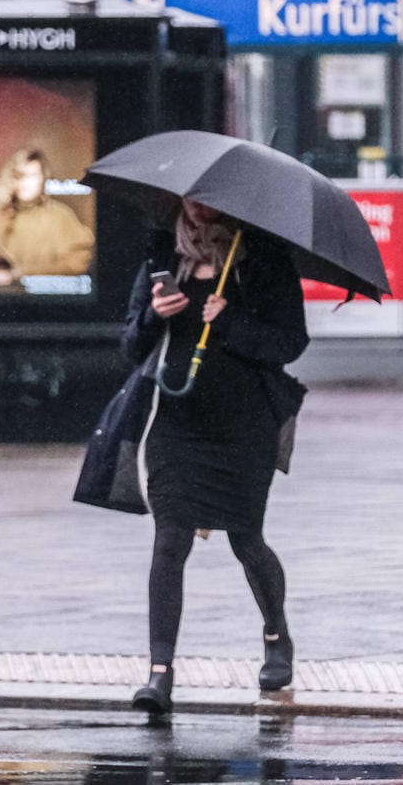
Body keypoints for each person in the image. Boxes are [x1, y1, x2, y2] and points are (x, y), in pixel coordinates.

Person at [120, 199, 308, 715]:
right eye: (190, 197)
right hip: (176, 427)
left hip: (244, 430)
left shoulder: (262, 260)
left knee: (246, 540)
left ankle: (276, 635)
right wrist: (152, 316)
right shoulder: (164, 259)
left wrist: (230, 322)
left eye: (210, 199)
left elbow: (291, 342)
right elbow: (130, 346)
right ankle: (160, 673)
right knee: (170, 540)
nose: (199, 207)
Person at [0, 148, 95, 289]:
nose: (25, 182)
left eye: (32, 175)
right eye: (20, 175)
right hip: (5, 299)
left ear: (43, 178)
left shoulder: (60, 215)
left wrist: (18, 274)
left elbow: (78, 262)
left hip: (50, 299)